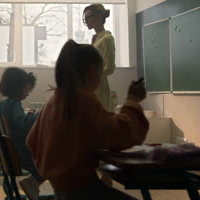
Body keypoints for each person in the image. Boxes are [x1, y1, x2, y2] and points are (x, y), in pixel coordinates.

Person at [26, 40, 148, 200]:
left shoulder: (54, 100)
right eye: (100, 71)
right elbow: (122, 133)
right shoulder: (83, 100)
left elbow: (31, 140)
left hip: (61, 193)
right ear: (92, 70)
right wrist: (132, 100)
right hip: (84, 192)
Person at [0, 67, 45, 200]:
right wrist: (39, 115)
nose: (28, 93)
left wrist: (27, 116)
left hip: (12, 151)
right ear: (16, 88)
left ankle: (33, 183)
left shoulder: (3, 103)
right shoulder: (15, 103)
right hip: (22, 152)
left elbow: (17, 120)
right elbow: (23, 122)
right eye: (26, 90)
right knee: (52, 158)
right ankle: (33, 182)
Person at [83, 4, 116, 111]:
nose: (86, 21)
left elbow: (110, 67)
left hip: (99, 87)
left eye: (88, 17)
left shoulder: (107, 38)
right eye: (85, 18)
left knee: (99, 118)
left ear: (98, 17)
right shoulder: (96, 39)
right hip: (91, 86)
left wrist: (92, 75)